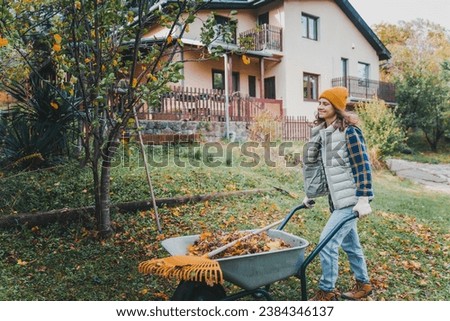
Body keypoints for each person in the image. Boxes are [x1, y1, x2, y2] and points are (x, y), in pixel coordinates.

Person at [302, 86, 374, 301]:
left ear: (337, 107)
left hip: (351, 200)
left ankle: (327, 290)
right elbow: (324, 169)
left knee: (327, 243)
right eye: (320, 103)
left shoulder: (349, 132)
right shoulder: (326, 133)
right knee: (351, 245)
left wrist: (363, 199)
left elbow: (362, 166)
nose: (320, 106)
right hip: (338, 200)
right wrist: (311, 194)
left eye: (326, 103)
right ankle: (364, 285)